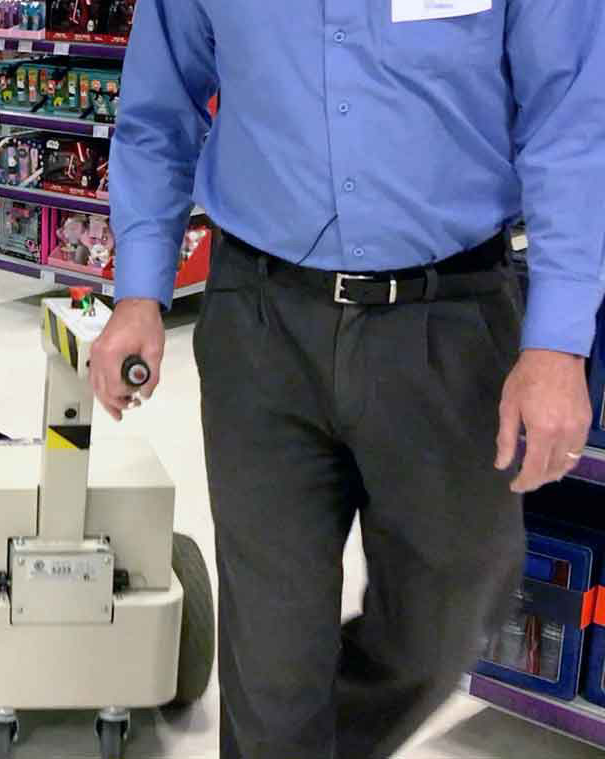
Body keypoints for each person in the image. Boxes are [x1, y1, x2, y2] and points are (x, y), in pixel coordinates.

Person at [88, 2, 605, 758]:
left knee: (450, 612)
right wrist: (140, 291)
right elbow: (158, 108)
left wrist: (558, 341)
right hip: (261, 322)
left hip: (449, 318)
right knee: (272, 655)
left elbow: (571, 121)